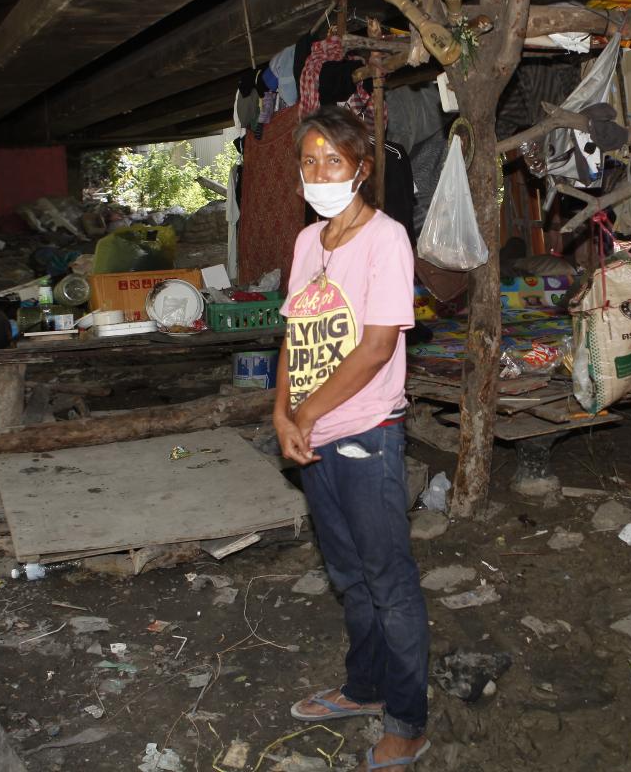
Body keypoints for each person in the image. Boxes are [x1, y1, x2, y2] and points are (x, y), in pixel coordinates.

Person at [275, 108, 430, 770]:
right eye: (309, 162)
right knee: (348, 575)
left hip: (367, 434)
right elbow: (293, 334)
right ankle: (364, 689)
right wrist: (281, 412)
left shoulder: (387, 239)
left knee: (388, 580)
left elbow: (374, 348)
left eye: (332, 161)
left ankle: (408, 719)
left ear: (361, 168)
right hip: (314, 436)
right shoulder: (308, 242)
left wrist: (305, 416)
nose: (319, 173)